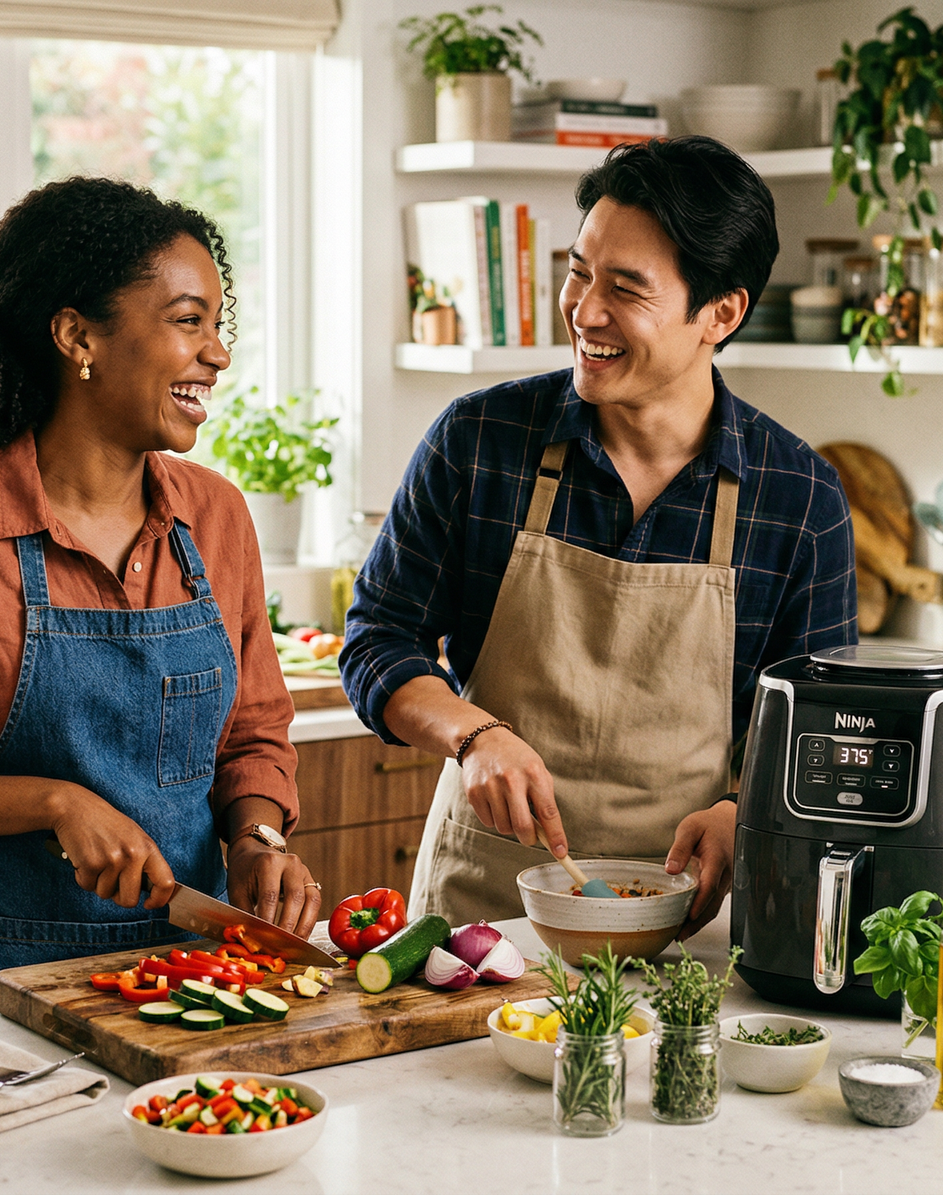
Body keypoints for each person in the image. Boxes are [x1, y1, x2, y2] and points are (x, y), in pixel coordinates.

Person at [0, 177, 320, 999]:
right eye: (189, 321)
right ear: (78, 337)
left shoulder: (216, 517)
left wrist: (257, 835)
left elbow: (254, 731)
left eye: (217, 325)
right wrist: (52, 802)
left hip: (192, 961)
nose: (217, 353)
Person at [341, 137, 857, 936]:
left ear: (720, 313)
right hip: (488, 917)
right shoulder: (479, 440)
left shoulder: (798, 498)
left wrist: (737, 807)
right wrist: (472, 735)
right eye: (579, 271)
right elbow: (376, 635)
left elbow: (817, 730)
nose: (584, 311)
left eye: (626, 288)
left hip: (687, 920)